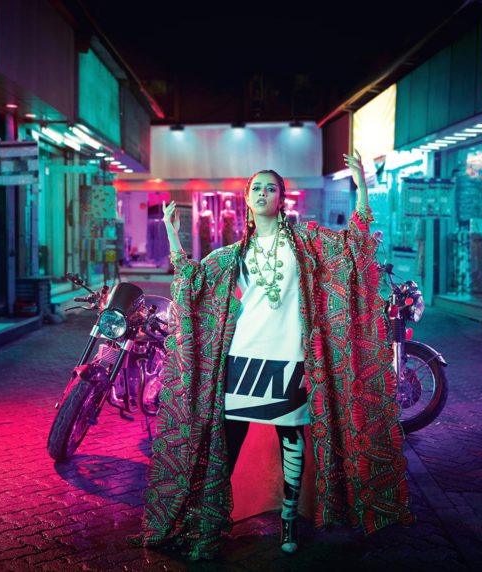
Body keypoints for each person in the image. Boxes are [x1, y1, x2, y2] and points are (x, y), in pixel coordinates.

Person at [133, 150, 413, 560]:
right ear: (246, 198)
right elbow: (190, 281)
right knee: (227, 440)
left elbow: (355, 245)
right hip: (240, 362)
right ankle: (209, 521)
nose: (263, 193)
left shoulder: (307, 243)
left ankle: (288, 518)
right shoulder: (230, 255)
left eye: (271, 188)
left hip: (290, 360)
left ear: (282, 197)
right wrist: (173, 234)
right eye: (256, 188)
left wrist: (363, 190)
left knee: (291, 440)